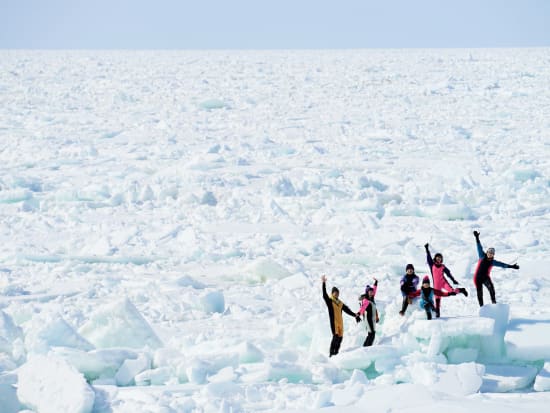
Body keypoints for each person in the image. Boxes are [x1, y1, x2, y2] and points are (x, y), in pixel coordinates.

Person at [473, 231, 519, 306]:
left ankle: (494, 303)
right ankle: (481, 307)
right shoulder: (481, 256)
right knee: (479, 293)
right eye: (489, 252)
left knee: (491, 289)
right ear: (487, 252)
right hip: (477, 278)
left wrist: (512, 266)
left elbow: (502, 264)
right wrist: (477, 237)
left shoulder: (493, 262)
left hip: (485, 278)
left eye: (492, 253)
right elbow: (479, 247)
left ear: (493, 255)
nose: (490, 254)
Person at [424, 243, 468, 317]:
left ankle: (461, 290)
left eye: (440, 258)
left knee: (452, 292)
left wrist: (453, 280)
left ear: (441, 259)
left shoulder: (443, 266)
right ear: (435, 258)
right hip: (436, 286)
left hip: (444, 283)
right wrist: (427, 249)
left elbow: (448, 274)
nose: (438, 259)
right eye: (437, 258)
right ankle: (437, 313)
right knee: (437, 299)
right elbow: (429, 258)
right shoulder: (432, 265)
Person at [321, 275, 360, 356]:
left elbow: (347, 310)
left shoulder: (340, 303)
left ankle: (336, 353)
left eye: (337, 293)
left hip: (340, 323)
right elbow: (324, 295)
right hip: (334, 323)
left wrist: (355, 315)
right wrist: (323, 283)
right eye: (335, 293)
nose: (337, 294)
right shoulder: (330, 301)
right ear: (332, 293)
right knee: (335, 337)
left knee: (340, 338)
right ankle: (331, 354)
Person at [356, 278, 379, 346]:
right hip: (368, 319)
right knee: (372, 334)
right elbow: (363, 308)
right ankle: (367, 347)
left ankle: (365, 347)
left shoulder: (371, 297)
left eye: (372, 292)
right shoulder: (366, 300)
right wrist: (358, 314)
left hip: (372, 319)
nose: (372, 292)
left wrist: (376, 283)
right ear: (367, 292)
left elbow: (374, 290)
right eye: (370, 292)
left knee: (371, 334)